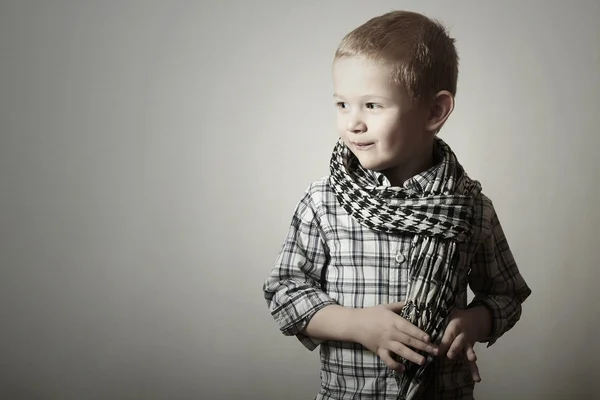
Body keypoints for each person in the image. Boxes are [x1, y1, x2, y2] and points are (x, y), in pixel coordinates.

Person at [262, 10, 531, 400]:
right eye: (342, 105)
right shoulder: (324, 202)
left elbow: (508, 294)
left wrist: (475, 320)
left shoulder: (470, 209)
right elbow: (285, 291)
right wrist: (356, 325)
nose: (353, 122)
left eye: (372, 105)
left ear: (435, 111)